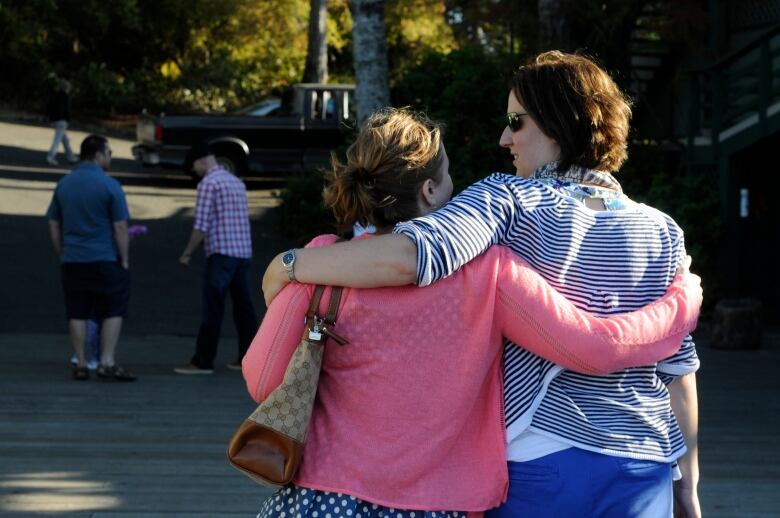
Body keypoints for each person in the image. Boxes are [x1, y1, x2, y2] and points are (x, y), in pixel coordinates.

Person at [262, 52, 701, 518]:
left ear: (557, 122)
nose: (504, 138)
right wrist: (688, 485)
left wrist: (290, 264)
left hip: (538, 455)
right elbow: (678, 368)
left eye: (516, 121)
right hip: (646, 460)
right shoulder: (662, 229)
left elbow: (410, 256)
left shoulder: (508, 199)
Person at [46, 135, 135, 381]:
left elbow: (53, 222)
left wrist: (61, 251)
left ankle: (81, 363)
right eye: (109, 153)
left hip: (73, 259)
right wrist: (124, 258)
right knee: (113, 309)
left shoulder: (64, 183)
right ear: (98, 155)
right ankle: (107, 361)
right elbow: (120, 227)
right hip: (104, 259)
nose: (110, 157)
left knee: (77, 312)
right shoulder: (110, 186)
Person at [175, 142, 258, 374]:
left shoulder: (208, 184)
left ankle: (203, 360)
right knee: (244, 310)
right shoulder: (236, 182)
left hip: (221, 255)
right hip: (243, 253)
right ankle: (248, 359)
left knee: (213, 308)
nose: (195, 172)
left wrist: (187, 252)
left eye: (194, 167)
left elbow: (201, 225)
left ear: (202, 160)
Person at [46, 79, 77, 166]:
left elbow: (49, 107)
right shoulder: (66, 96)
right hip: (62, 120)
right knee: (57, 140)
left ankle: (71, 157)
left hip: (54, 120)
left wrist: (51, 119)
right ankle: (50, 157)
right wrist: (68, 120)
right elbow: (66, 110)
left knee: (65, 140)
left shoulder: (55, 95)